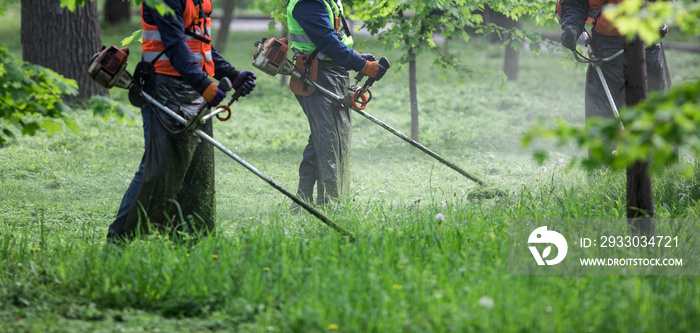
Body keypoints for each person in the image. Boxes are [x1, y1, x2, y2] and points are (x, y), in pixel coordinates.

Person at [106, 0, 256, 242]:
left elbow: (200, 46)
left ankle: (189, 241)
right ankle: (118, 239)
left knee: (196, 171)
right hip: (164, 90)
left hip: (193, 92)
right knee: (157, 167)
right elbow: (175, 44)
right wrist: (204, 83)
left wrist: (231, 74)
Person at [287, 0, 387, 207]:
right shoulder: (308, 3)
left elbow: (337, 40)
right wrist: (363, 65)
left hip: (332, 73)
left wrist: (357, 58)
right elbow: (328, 43)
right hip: (315, 75)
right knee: (328, 141)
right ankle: (329, 206)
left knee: (322, 139)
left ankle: (301, 202)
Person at [559, 0, 671, 122]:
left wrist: (659, 17)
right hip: (605, 49)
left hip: (646, 45)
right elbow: (575, 3)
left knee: (652, 114)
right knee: (602, 119)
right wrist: (572, 27)